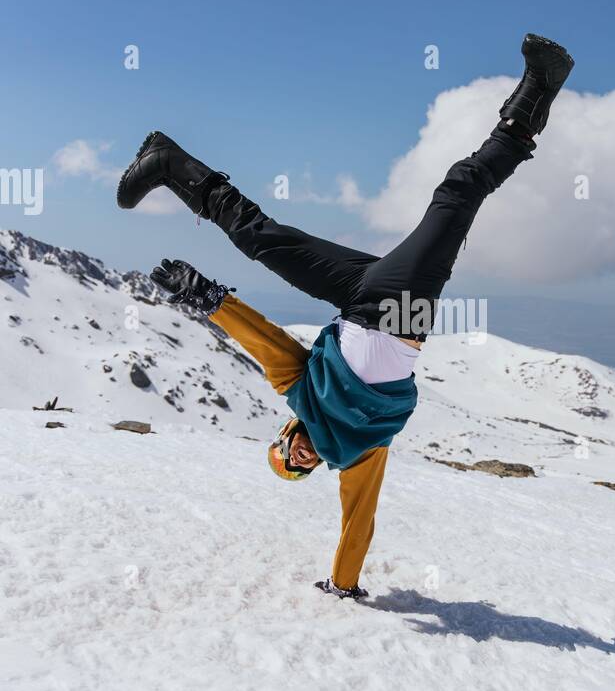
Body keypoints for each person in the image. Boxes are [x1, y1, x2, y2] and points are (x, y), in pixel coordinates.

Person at [117, 33, 574, 597]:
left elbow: (265, 344)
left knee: (261, 238)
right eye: (302, 466)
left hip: (353, 295)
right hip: (395, 310)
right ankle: (538, 91)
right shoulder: (358, 449)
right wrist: (343, 584)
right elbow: (358, 522)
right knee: (458, 193)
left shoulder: (302, 393)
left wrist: (207, 299)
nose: (302, 456)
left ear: (286, 438)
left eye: (291, 454)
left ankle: (169, 161)